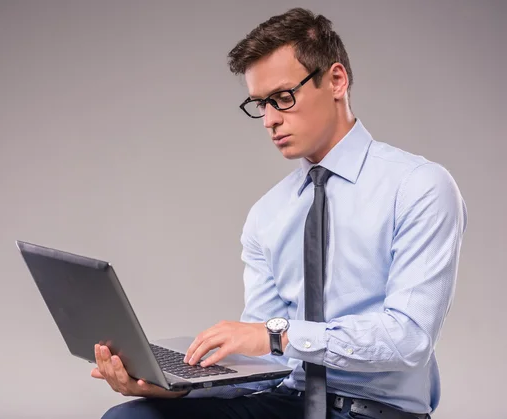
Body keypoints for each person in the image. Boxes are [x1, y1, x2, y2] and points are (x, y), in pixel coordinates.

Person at [93, 7, 467, 419]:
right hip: (287, 402)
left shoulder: (419, 186)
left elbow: (409, 338)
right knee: (130, 417)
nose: (270, 120)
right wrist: (172, 387)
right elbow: (265, 365)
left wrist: (278, 336)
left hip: (375, 411)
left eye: (283, 98)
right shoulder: (267, 214)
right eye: (260, 104)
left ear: (336, 81)